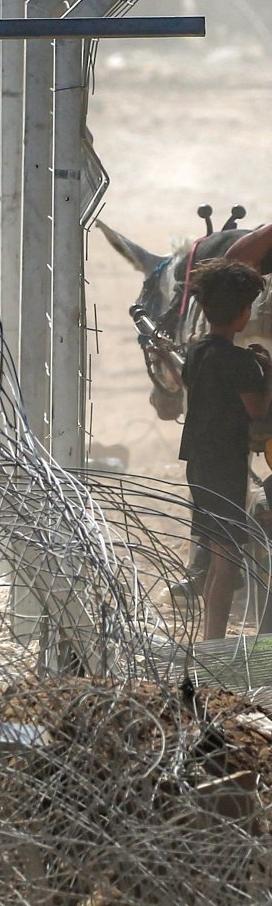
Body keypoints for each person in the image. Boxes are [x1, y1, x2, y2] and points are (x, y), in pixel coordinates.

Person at [179, 259, 272, 641]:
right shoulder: (240, 362)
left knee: (219, 552)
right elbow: (258, 411)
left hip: (200, 462)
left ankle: (211, 638)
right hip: (225, 466)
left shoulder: (197, 350)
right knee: (228, 560)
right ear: (244, 313)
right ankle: (213, 643)